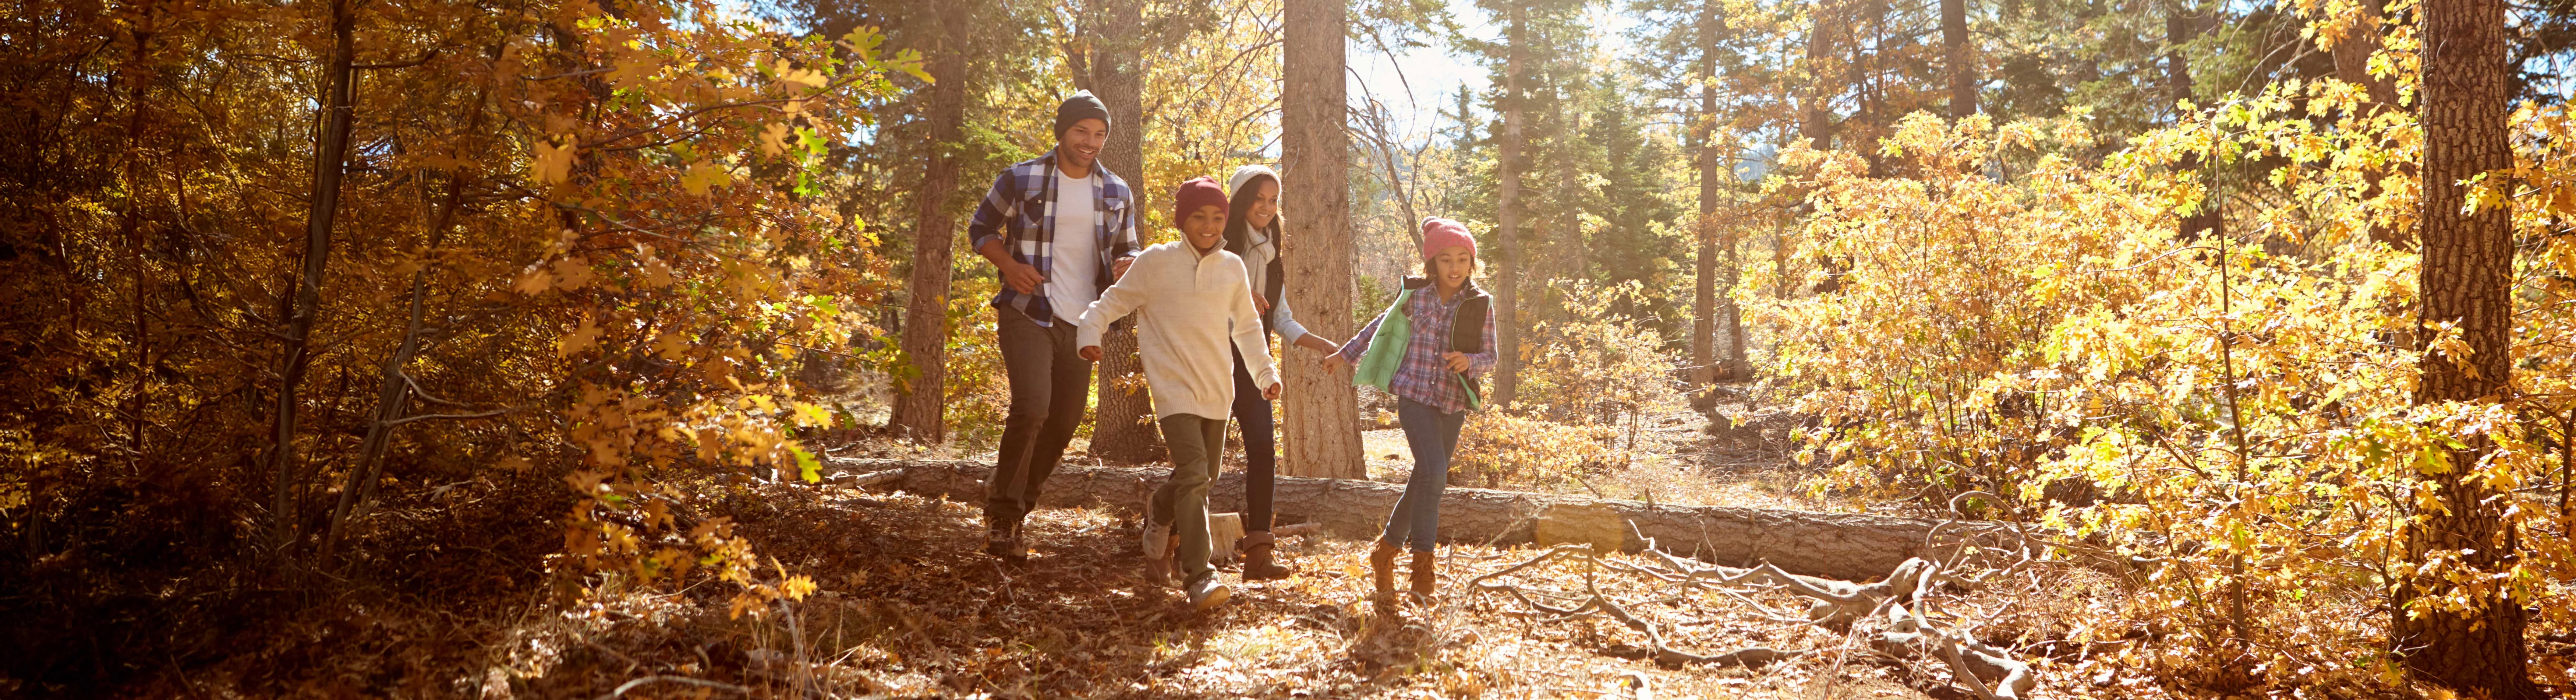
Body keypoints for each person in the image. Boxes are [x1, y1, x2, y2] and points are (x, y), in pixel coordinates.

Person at [1075, 176, 1281, 610]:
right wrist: (1089, 330)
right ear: (1181, 220)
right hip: (1172, 388)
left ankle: (1159, 508)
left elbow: (1247, 328)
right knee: (1193, 473)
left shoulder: (1231, 267)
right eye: (1198, 217)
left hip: (1217, 387)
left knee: (1201, 478)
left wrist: (1265, 374)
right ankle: (1199, 575)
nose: (1208, 226)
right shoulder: (1155, 262)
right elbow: (1112, 302)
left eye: (1217, 217)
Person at [1139, 165, 1345, 582]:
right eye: (1259, 199)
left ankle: (1259, 551)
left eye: (1274, 201)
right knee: (1198, 464)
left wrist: (1318, 342)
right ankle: (1171, 533)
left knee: (1263, 450)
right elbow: (1186, 288)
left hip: (1252, 364)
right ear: (1240, 201)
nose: (1267, 208)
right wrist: (1233, 291)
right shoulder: (1214, 241)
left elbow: (1280, 317)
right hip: (1208, 360)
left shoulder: (1272, 252)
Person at [962, 91, 1140, 560]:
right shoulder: (1021, 178)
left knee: (1063, 422)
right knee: (1032, 407)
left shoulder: (1117, 191)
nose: (1090, 142)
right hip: (1028, 309)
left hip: (1084, 322)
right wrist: (1008, 265)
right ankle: (1002, 514)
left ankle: (1019, 505)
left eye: (1099, 134)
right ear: (1062, 131)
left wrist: (1128, 265)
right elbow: (980, 229)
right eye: (1082, 131)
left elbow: (1131, 249)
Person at [1321, 218, 1494, 598]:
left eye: (1462, 259)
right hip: (1415, 396)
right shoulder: (1416, 296)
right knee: (1435, 474)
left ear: (1471, 263)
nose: (1454, 267)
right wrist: (1344, 354)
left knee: (1423, 480)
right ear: (1432, 263)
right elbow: (1379, 326)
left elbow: (1490, 354)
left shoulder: (1481, 304)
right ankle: (1423, 571)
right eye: (1446, 258)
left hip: (1453, 402)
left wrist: (1470, 361)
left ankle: (1385, 552)